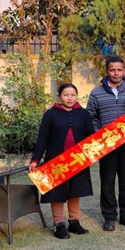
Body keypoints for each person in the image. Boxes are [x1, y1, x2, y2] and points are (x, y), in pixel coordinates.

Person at [30, 83, 95, 239]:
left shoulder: (84, 114)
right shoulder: (51, 114)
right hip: (56, 160)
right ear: (59, 96)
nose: (69, 98)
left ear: (76, 96)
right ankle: (59, 224)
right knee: (57, 192)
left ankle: (74, 222)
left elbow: (91, 137)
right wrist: (35, 159)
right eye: (66, 95)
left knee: (75, 189)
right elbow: (42, 138)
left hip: (77, 159)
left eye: (72, 95)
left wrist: (92, 155)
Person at [86, 56, 125, 232]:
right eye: (112, 70)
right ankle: (109, 217)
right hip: (106, 147)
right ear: (107, 71)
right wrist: (99, 135)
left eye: (119, 70)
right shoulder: (96, 93)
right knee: (107, 183)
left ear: (124, 71)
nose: (116, 73)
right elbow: (91, 116)